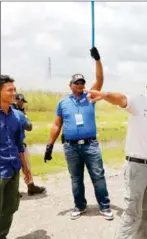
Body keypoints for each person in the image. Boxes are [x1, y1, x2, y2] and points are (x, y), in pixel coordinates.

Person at [83, 72, 147, 239]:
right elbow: (121, 99)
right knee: (132, 211)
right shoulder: (139, 101)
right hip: (137, 167)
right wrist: (104, 95)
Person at [44, 47, 113, 220]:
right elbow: (56, 124)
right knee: (76, 178)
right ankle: (80, 206)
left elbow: (100, 79)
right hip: (71, 147)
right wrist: (49, 146)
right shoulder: (63, 102)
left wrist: (97, 59)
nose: (80, 85)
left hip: (91, 145)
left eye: (82, 83)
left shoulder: (90, 97)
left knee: (98, 176)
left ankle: (104, 206)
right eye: (77, 83)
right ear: (70, 85)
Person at [0, 75, 25, 239]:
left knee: (9, 207)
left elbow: (19, 144)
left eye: (14, 89)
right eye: (10, 90)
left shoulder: (17, 115)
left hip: (13, 168)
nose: (14, 93)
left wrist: (26, 167)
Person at [11, 93, 46, 196]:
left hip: (19, 143)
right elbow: (29, 126)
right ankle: (13, 190)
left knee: (26, 165)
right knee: (13, 167)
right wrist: (24, 115)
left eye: (22, 102)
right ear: (15, 100)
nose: (21, 104)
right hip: (13, 144)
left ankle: (30, 186)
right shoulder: (16, 112)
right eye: (20, 101)